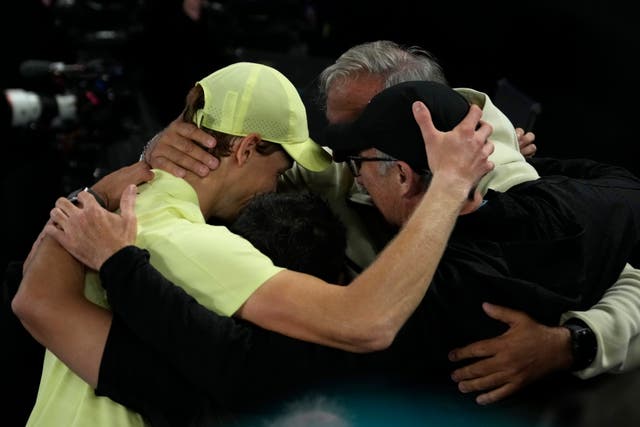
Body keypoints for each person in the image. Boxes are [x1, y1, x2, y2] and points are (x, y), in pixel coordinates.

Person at [16, 80, 640, 427]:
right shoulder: (191, 245)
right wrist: (467, 168)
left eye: (363, 167)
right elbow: (357, 322)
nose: (347, 181)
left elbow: (34, 300)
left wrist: (100, 190)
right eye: (287, 166)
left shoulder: (125, 225)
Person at [144, 40, 640, 404]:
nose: (341, 153)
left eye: (365, 133)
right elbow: (244, 169)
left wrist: (572, 344)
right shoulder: (346, 162)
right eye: (341, 130)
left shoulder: (514, 198)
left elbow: (627, 277)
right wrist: (164, 151)